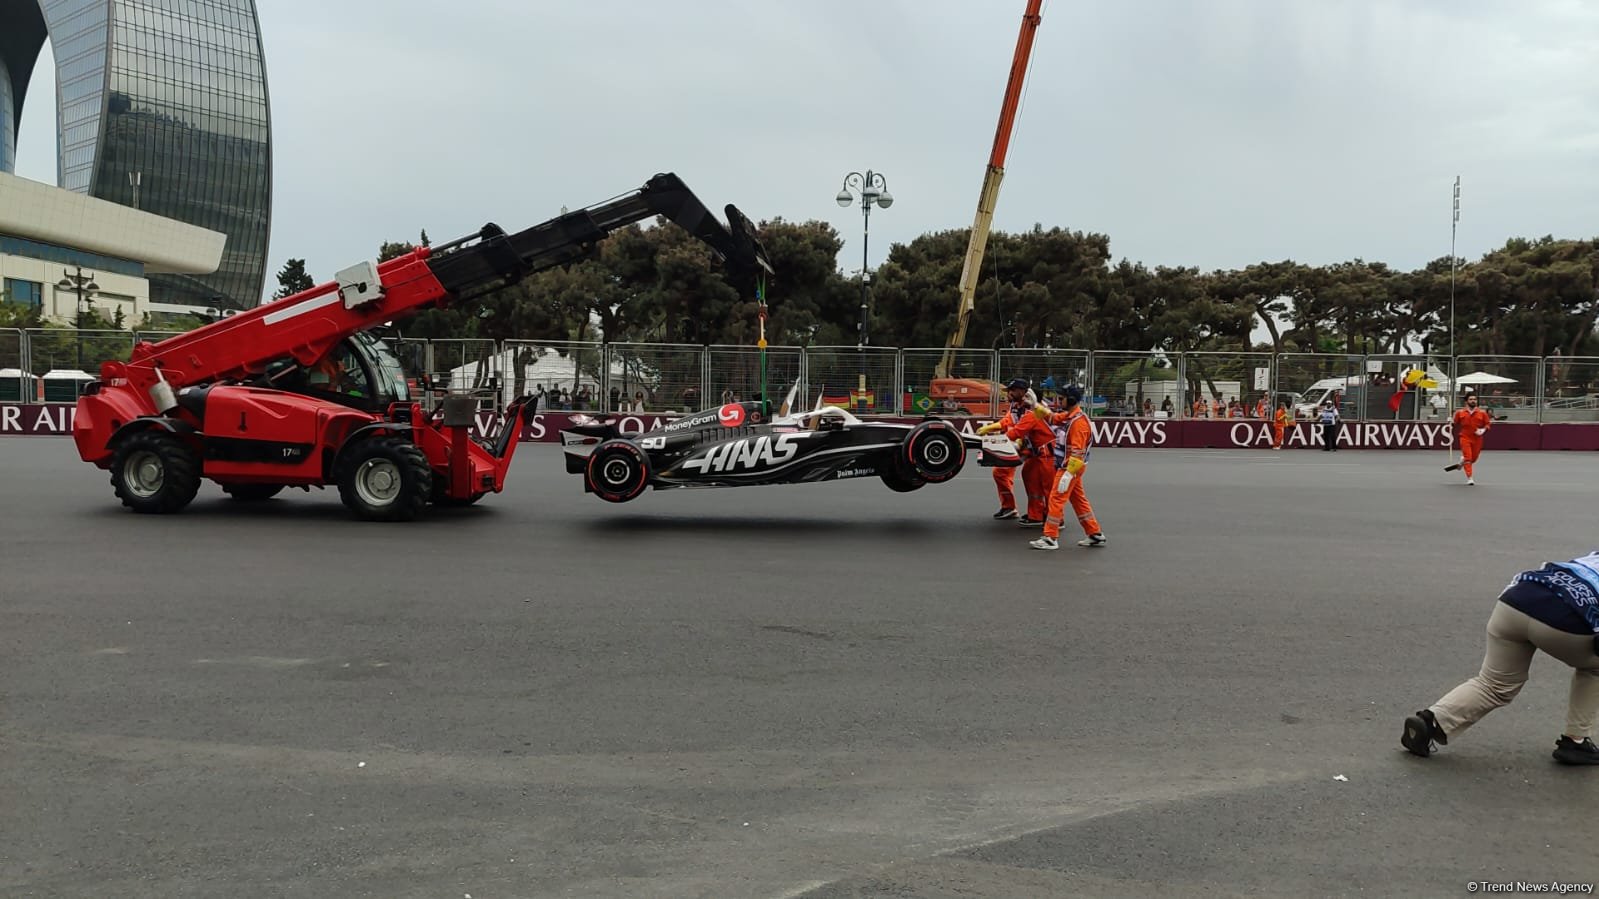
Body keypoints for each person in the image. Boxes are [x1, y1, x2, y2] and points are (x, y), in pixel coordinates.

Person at [1401, 551, 1599, 765]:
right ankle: (1576, 740)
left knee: (1494, 684)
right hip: (1565, 618)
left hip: (1516, 600)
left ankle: (1430, 722)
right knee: (1595, 668)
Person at [1028, 385, 1105, 551]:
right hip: (1071, 467)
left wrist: (1068, 474)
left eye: (1061, 399)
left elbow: (1078, 452)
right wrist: (1035, 406)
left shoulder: (1078, 423)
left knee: (1055, 499)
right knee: (1078, 500)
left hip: (1070, 466)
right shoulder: (1071, 416)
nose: (1058, 401)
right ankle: (1094, 533)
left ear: (1070, 400)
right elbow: (1052, 418)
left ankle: (1050, 537)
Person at [977, 379, 1036, 520]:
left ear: (1022, 391)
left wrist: (1004, 440)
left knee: (1035, 480)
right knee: (1000, 473)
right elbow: (1007, 421)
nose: (1009, 393)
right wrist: (991, 427)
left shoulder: (1031, 407)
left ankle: (1041, 514)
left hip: (1033, 448)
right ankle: (1010, 507)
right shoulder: (1015, 405)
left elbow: (1023, 428)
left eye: (1012, 390)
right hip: (1019, 445)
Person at [1452, 392, 1492, 485]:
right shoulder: (1460, 413)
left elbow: (1488, 424)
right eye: (1471, 399)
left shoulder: (1482, 413)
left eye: (1474, 399)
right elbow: (1455, 424)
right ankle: (1470, 478)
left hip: (1477, 439)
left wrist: (1483, 430)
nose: (1473, 401)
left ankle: (1462, 461)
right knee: (1468, 458)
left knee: (1473, 459)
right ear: (1466, 401)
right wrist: (1450, 421)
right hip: (1465, 437)